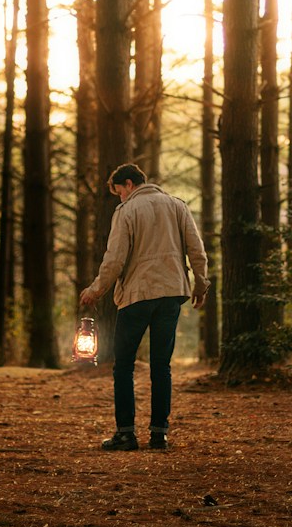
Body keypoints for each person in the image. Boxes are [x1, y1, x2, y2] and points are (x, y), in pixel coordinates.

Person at [78, 162, 208, 451]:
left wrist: (95, 290)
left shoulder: (127, 211)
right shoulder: (177, 206)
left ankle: (126, 434)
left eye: (118, 192)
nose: (120, 198)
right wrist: (200, 286)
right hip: (172, 293)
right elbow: (196, 250)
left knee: (123, 366)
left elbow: (115, 259)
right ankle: (159, 434)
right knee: (162, 366)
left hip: (137, 296)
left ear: (127, 185)